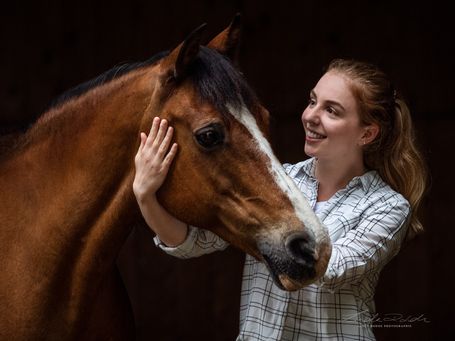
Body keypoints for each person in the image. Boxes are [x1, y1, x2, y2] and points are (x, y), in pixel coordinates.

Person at [133, 59, 427, 340]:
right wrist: (146, 195)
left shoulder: (387, 206)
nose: (311, 116)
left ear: (366, 133)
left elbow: (335, 267)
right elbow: (194, 242)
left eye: (332, 111)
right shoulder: (279, 183)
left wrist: (276, 226)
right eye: (312, 101)